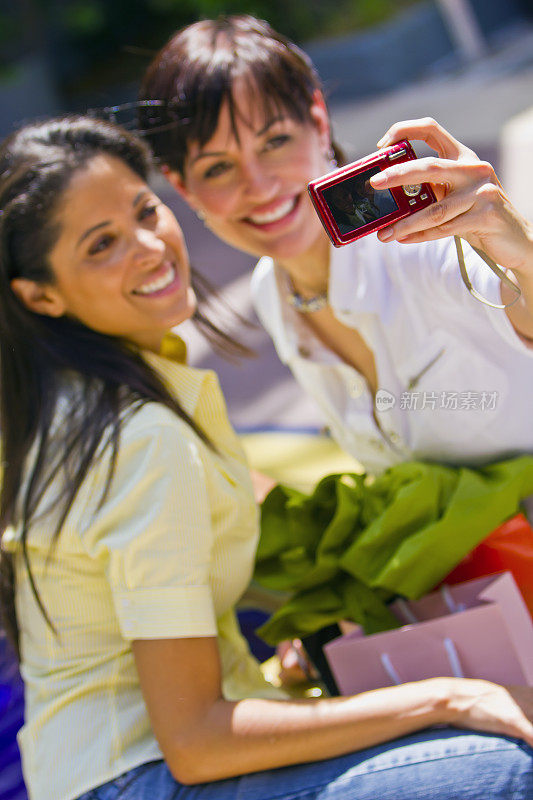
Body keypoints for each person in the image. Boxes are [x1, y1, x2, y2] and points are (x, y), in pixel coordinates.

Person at [1, 115, 533, 800]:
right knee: (502, 764)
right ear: (39, 295)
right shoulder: (137, 438)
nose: (149, 247)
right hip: (141, 777)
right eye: (101, 244)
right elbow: (194, 742)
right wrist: (451, 696)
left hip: (108, 769)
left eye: (142, 212)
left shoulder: (76, 408)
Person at [138, 14, 533, 477]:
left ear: (319, 122)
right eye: (217, 168)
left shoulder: (424, 239)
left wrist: (523, 252)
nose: (259, 186)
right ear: (182, 187)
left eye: (276, 141)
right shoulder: (273, 292)